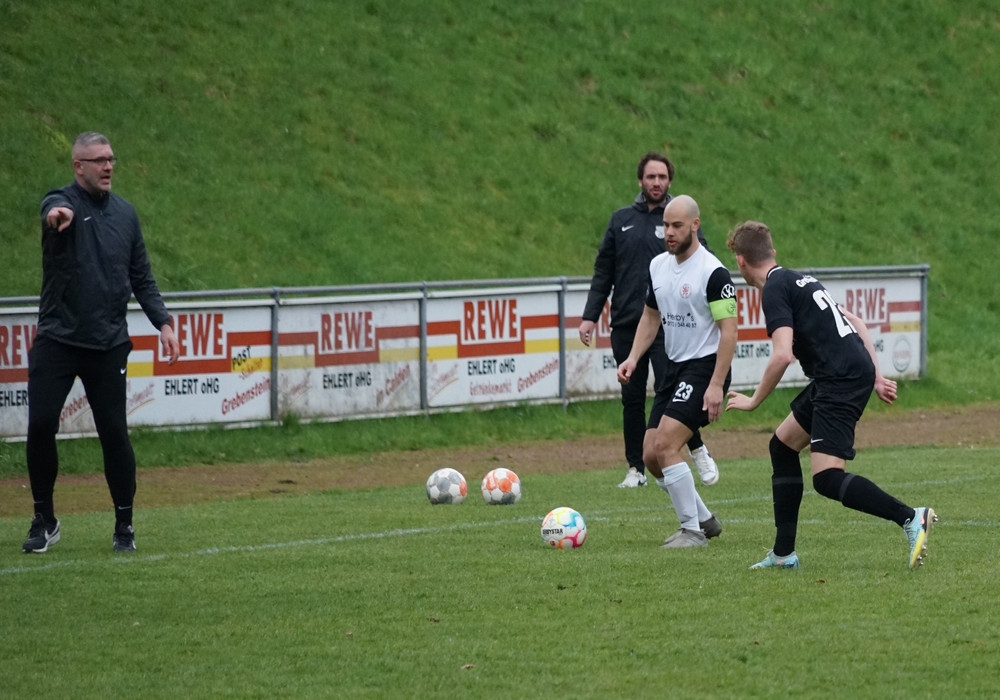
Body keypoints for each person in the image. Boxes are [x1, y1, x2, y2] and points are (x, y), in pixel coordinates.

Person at [725, 220, 936, 570]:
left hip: (840, 379)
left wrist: (753, 400)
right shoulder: (800, 279)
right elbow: (858, 324)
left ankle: (911, 517)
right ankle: (783, 555)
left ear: (740, 260)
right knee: (782, 446)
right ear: (772, 251)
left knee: (826, 478)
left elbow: (782, 355)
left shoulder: (775, 289)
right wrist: (876, 376)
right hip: (842, 374)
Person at [24, 131, 179, 554]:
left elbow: (141, 276)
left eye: (111, 159)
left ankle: (124, 525)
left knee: (114, 433)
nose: (108, 166)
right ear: (79, 166)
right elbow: (51, 208)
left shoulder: (125, 215)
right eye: (99, 160)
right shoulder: (63, 203)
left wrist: (163, 323)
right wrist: (56, 216)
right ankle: (44, 520)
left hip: (108, 342)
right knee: (40, 425)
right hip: (58, 338)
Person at [580, 152, 720, 489]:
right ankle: (636, 468)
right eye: (650, 177)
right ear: (640, 180)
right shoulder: (621, 220)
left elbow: (703, 261)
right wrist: (589, 316)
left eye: (662, 177)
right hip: (628, 323)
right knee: (631, 398)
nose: (656, 182)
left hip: (669, 325)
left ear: (669, 181)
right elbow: (603, 271)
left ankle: (696, 448)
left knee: (670, 392)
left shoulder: (681, 220)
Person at [616, 195, 737, 548]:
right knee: (650, 455)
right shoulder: (658, 266)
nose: (668, 232)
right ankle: (705, 519)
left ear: (695, 225)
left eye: (677, 226)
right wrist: (633, 357)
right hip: (673, 369)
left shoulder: (713, 272)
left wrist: (716, 385)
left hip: (705, 369)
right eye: (666, 225)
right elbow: (650, 316)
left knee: (666, 444)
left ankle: (692, 532)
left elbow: (729, 331)